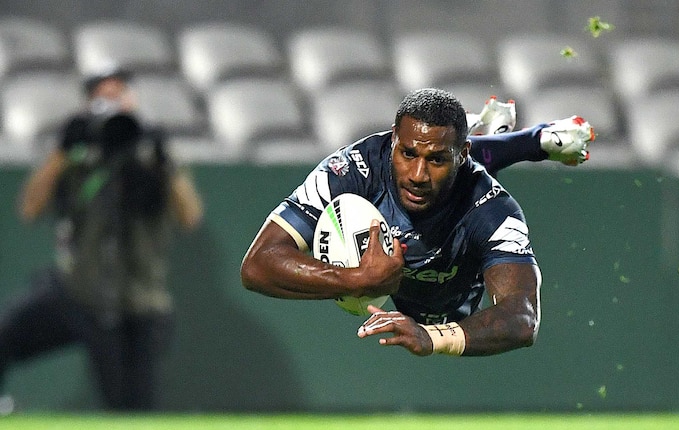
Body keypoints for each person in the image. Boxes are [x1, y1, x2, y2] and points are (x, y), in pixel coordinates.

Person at [241, 87, 593, 357]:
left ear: (460, 155)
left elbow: (522, 320)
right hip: (414, 234)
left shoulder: (493, 210)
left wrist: (432, 337)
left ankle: (519, 141)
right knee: (442, 167)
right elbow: (256, 266)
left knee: (439, 314)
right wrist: (357, 278)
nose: (418, 174)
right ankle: (502, 137)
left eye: (436, 159)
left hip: (446, 292)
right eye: (407, 153)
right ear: (392, 140)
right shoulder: (353, 168)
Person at [0, 67, 204, 411]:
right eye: (102, 98)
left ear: (133, 101)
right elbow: (30, 208)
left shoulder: (150, 155)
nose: (111, 104)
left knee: (131, 409)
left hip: (138, 301)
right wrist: (62, 150)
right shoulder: (81, 156)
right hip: (78, 291)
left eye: (118, 95)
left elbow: (190, 216)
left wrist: (164, 160)